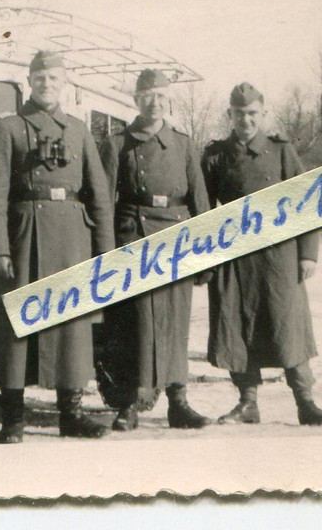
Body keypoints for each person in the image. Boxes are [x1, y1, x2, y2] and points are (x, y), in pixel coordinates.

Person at [0, 50, 115, 443]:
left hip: (73, 238)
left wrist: (105, 252)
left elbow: (99, 197)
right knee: (18, 328)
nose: (46, 84)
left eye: (54, 78)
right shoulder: (8, 128)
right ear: (29, 82)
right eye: (40, 78)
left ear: (63, 83)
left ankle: (71, 414)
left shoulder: (79, 131)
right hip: (25, 237)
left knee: (72, 329)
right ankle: (13, 418)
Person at [200, 82, 322, 426]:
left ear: (263, 114)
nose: (245, 120)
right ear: (229, 115)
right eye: (239, 114)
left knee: (287, 325)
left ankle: (305, 402)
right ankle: (248, 403)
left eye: (252, 114)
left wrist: (308, 254)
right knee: (236, 326)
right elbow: (201, 209)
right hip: (234, 260)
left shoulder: (281, 151)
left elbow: (308, 202)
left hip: (278, 258)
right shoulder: (216, 156)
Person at [98, 68, 213, 431]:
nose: (155, 103)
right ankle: (128, 403)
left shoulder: (183, 144)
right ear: (136, 100)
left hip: (177, 240)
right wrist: (105, 252)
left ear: (169, 100)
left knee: (175, 324)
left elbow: (200, 201)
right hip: (134, 237)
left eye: (161, 96)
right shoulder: (117, 144)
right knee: (134, 326)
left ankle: (178, 402)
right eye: (148, 96)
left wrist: (206, 256)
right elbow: (103, 202)